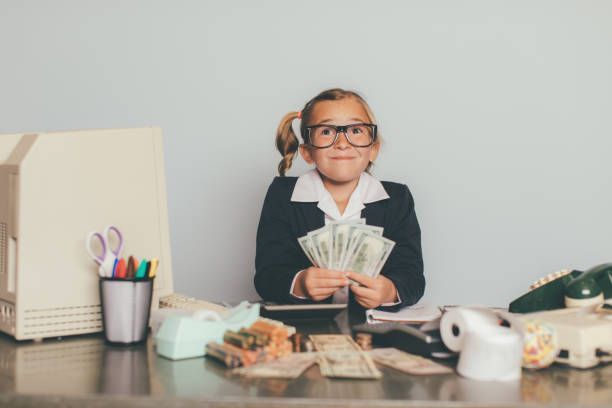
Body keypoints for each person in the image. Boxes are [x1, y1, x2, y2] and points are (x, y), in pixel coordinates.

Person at [255, 88, 424, 311]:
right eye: (326, 131)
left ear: (373, 149)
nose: (342, 142)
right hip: (306, 329)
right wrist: (300, 284)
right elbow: (267, 275)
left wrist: (389, 291)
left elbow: (412, 276)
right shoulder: (283, 196)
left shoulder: (397, 199)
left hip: (373, 330)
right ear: (307, 152)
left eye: (355, 130)